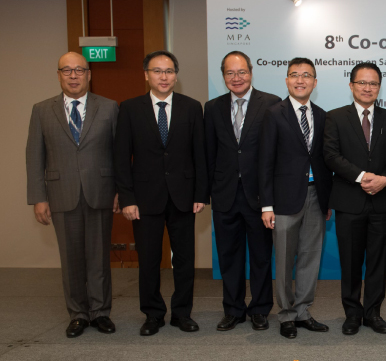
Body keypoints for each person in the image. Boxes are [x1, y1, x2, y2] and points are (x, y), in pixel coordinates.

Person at [114, 50, 208, 336]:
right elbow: (121, 158)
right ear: (146, 75)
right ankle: (153, 314)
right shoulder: (129, 108)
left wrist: (201, 194)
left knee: (184, 261)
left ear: (176, 76)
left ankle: (182, 313)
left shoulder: (192, 107)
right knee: (149, 260)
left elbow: (200, 155)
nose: (163, 76)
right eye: (157, 71)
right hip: (144, 200)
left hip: (183, 197)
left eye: (169, 71)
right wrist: (127, 198)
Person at [26, 52, 120, 338]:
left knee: (99, 257)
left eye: (79, 70)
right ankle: (78, 314)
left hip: (101, 192)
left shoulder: (109, 107)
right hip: (60, 194)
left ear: (89, 74)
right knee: (71, 258)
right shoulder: (42, 110)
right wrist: (38, 197)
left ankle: (101, 312)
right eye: (66, 70)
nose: (73, 75)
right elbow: (34, 156)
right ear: (58, 75)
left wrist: (120, 192)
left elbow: (119, 153)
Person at [324, 62, 386, 335]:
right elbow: (331, 156)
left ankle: (373, 313)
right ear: (351, 85)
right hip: (349, 201)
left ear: (379, 87)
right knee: (350, 262)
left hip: (382, 202)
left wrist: (384, 180)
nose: (367, 88)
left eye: (373, 84)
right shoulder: (335, 117)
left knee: (378, 262)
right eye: (362, 83)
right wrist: (362, 177)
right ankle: (352, 314)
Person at [204, 51, 280, 331]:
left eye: (241, 72)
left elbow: (275, 153)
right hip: (225, 195)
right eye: (230, 73)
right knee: (229, 256)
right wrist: (207, 192)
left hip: (259, 196)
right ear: (223, 75)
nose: (236, 78)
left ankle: (259, 309)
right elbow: (208, 154)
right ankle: (233, 309)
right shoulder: (212, 108)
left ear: (251, 72)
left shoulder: (271, 103)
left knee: (261, 256)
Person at [259, 57, 332, 339]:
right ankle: (286, 314)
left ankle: (303, 311)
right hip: (284, 200)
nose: (300, 80)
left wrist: (327, 201)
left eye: (306, 75)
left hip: (316, 197)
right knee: (285, 259)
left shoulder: (323, 115)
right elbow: (264, 161)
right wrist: (266, 204)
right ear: (287, 80)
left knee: (310, 258)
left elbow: (325, 160)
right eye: (294, 75)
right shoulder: (273, 113)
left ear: (315, 82)